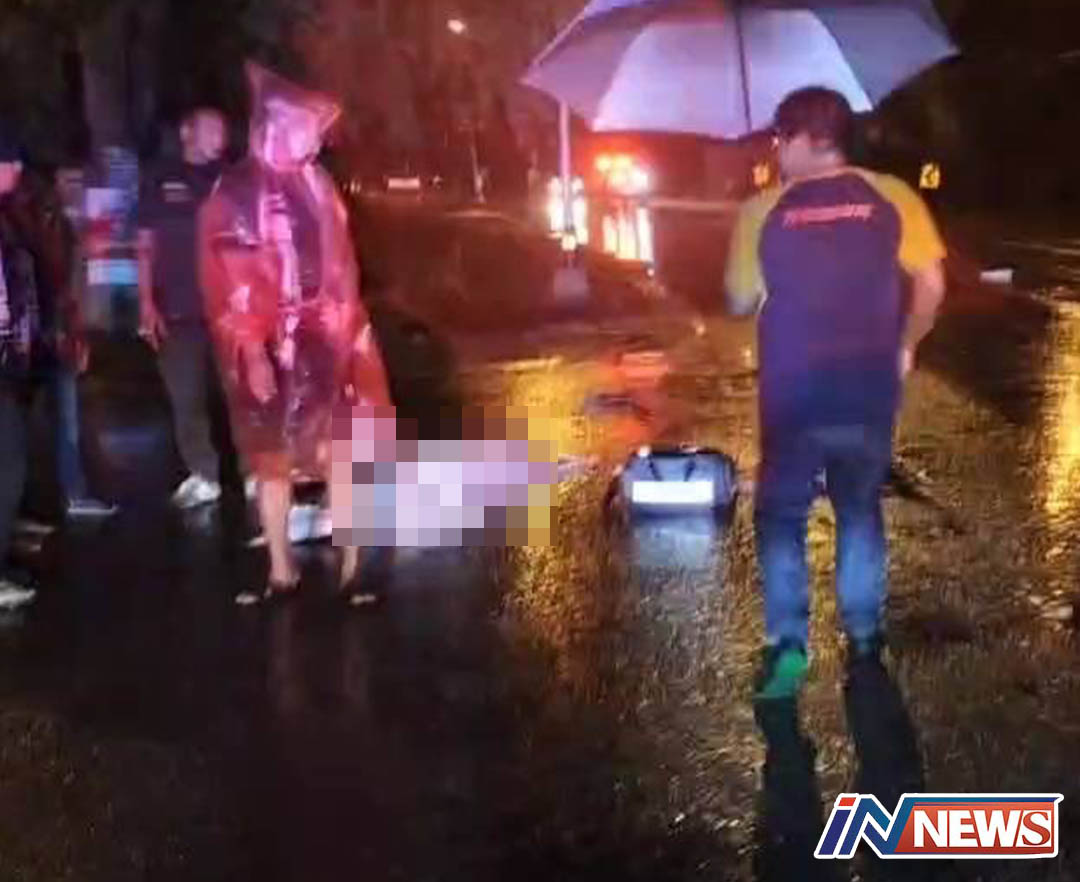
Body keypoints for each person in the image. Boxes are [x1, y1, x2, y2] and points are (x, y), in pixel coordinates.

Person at [725, 88, 947, 699]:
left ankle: (788, 646)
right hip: (868, 387)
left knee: (781, 515)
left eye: (780, 139)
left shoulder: (762, 209)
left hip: (794, 393)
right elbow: (931, 283)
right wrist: (907, 343)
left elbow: (739, 300)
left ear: (804, 138)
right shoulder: (893, 195)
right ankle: (866, 638)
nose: (776, 150)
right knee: (858, 507)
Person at [199, 63, 391, 605]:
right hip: (272, 348)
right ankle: (281, 570)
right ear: (276, 125)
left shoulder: (318, 183)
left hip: (327, 343)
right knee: (273, 462)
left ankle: (353, 570)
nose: (316, 138)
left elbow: (342, 265)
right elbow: (231, 280)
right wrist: (253, 350)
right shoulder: (238, 191)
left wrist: (351, 335)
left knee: (343, 455)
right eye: (307, 126)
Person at [0, 129, 88, 607]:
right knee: (9, 460)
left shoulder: (12, 218)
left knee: (13, 456)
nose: (16, 171)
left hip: (14, 359)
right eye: (8, 162)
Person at [137, 108, 230, 509]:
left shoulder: (230, 181)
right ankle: (204, 474)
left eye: (223, 131)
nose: (219, 138)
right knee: (186, 397)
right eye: (211, 130)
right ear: (186, 132)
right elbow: (145, 246)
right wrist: (146, 303)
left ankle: (256, 475)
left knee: (242, 397)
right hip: (177, 310)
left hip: (228, 313)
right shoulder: (160, 179)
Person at [53, 166, 117, 518]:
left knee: (67, 417)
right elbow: (64, 290)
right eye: (67, 180)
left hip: (62, 333)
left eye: (77, 180)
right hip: (52, 334)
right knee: (64, 419)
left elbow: (77, 291)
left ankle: (71, 492)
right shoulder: (56, 229)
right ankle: (71, 494)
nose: (72, 188)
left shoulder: (71, 230)